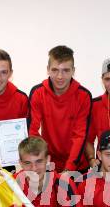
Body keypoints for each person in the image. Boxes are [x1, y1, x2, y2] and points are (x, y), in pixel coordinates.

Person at [28, 45, 92, 173]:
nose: (60, 76)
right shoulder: (37, 93)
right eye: (55, 70)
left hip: (77, 166)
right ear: (48, 70)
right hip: (49, 164)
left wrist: (69, 169)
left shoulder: (84, 96)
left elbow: (80, 136)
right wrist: (43, 161)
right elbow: (33, 131)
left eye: (66, 70)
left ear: (73, 70)